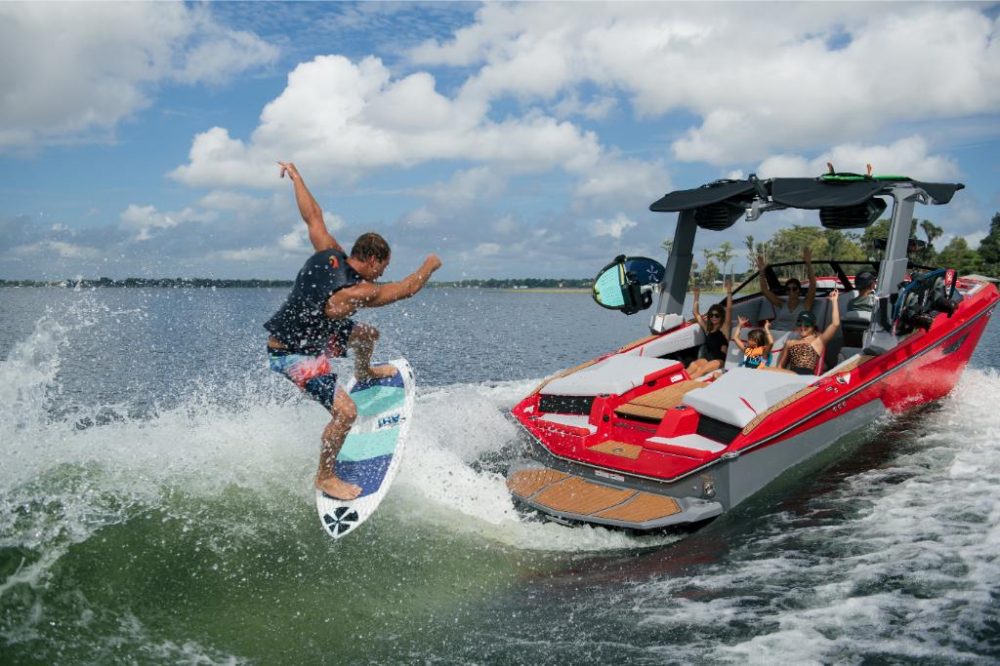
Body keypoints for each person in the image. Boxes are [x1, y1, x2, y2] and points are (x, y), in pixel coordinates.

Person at [265, 162, 442, 500]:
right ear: (373, 260)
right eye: (384, 267)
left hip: (310, 332)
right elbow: (405, 289)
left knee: (366, 334)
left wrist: (297, 177)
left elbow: (312, 215)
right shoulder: (359, 291)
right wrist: (430, 263)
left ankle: (365, 371)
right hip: (293, 353)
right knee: (346, 412)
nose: (383, 273)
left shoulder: (329, 253)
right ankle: (325, 476)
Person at [777, 289, 841, 375]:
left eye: (807, 325)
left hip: (805, 377)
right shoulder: (789, 343)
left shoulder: (818, 341)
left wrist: (834, 301)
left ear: (813, 327)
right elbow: (780, 367)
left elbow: (835, 324)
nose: (803, 327)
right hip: (789, 375)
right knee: (761, 369)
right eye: (800, 324)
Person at [757, 248, 817, 328]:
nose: (791, 291)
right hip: (777, 332)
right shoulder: (782, 304)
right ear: (786, 292)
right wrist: (761, 272)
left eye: (794, 288)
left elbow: (812, 284)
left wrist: (808, 264)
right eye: (788, 289)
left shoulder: (806, 304)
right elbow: (764, 290)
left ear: (799, 290)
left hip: (793, 337)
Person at [687, 281, 733, 379]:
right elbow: (696, 313)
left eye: (717, 315)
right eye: (711, 315)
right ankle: (677, 382)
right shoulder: (708, 330)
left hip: (720, 360)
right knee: (693, 365)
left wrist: (729, 292)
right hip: (707, 358)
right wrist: (696, 296)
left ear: (721, 317)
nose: (713, 317)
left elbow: (729, 309)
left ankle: (684, 386)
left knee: (701, 370)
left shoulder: (724, 329)